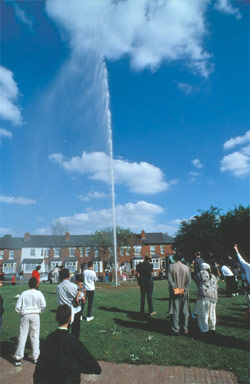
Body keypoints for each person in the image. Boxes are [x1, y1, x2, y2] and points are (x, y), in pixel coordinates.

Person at [33, 304, 101, 384]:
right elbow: (89, 362)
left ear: (56, 318)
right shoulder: (72, 341)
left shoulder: (49, 339)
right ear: (70, 318)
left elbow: (41, 364)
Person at [14, 277, 46, 366]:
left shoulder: (24, 293)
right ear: (37, 284)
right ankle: (36, 357)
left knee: (22, 336)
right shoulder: (39, 293)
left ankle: (18, 357)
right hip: (35, 314)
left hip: (25, 315)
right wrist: (39, 311)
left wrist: (21, 312)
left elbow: (17, 307)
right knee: (35, 336)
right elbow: (43, 305)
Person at [168, 252, 191, 335]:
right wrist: (183, 290)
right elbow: (188, 282)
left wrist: (177, 290)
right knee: (185, 310)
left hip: (175, 292)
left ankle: (176, 329)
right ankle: (185, 329)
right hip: (184, 292)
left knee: (175, 310)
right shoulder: (187, 268)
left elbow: (170, 281)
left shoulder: (171, 267)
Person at [57, 268, 84, 338]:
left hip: (64, 311)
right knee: (75, 333)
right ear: (69, 276)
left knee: (64, 332)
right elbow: (82, 297)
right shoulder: (74, 286)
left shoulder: (58, 287)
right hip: (75, 311)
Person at [194, 263, 218, 334]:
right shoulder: (213, 275)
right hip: (213, 296)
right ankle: (212, 327)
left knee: (203, 313)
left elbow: (196, 279)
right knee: (212, 313)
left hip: (204, 296)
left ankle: (204, 329)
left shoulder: (200, 274)